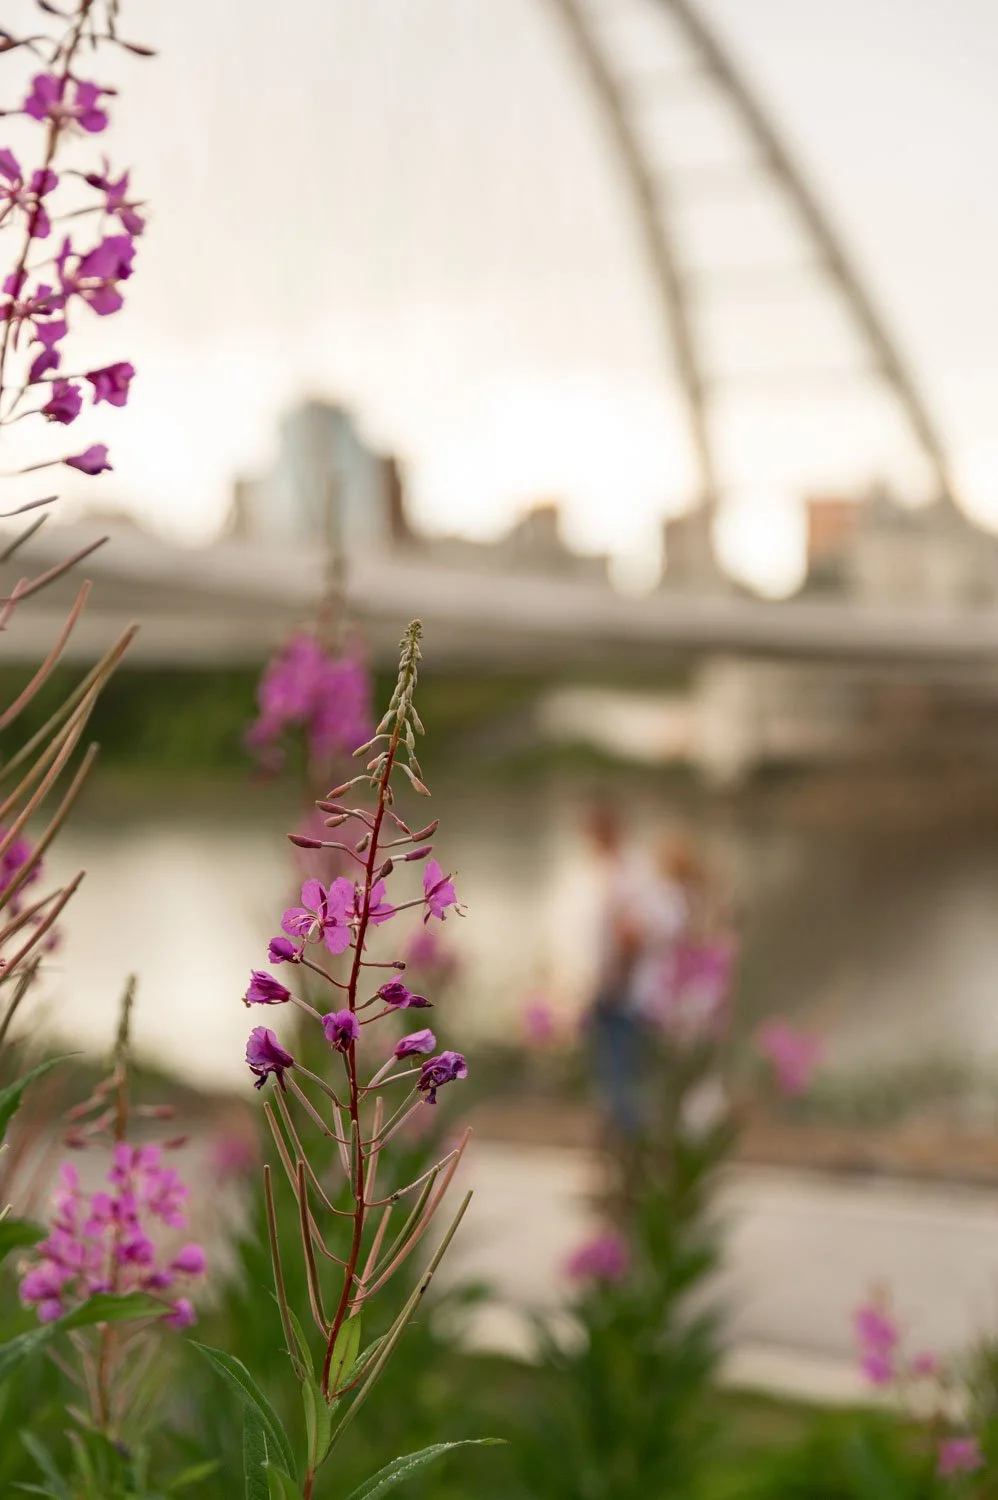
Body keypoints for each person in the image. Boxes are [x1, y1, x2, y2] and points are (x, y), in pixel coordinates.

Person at [582, 801, 683, 1140]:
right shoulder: (618, 868)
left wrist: (616, 984)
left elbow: (632, 934)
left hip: (623, 992)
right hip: (617, 987)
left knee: (621, 1068)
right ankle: (623, 1132)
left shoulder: (629, 870)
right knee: (616, 1067)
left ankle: (628, 1136)